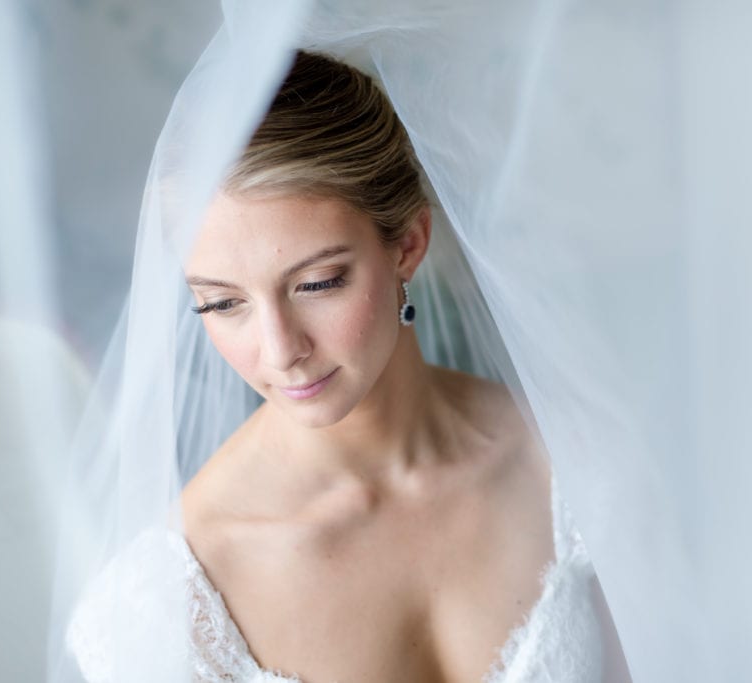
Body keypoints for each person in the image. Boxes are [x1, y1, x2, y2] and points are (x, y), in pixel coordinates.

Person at [64, 50, 631, 683]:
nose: (280, 351)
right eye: (223, 303)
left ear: (408, 245)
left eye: (318, 282)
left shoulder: (579, 465)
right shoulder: (163, 612)